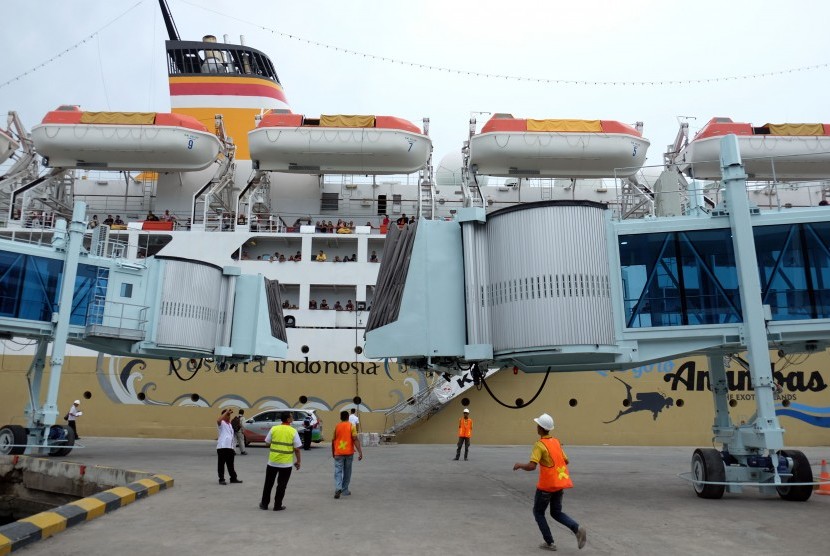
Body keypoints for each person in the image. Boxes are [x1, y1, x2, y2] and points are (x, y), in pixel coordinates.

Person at [513, 413, 586, 551]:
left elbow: (532, 466)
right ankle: (577, 528)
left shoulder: (539, 445)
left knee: (538, 513)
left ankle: (549, 542)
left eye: (537, 425)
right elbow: (566, 461)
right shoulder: (556, 442)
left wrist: (520, 465)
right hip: (558, 485)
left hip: (546, 486)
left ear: (540, 428)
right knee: (556, 512)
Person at [260, 411, 302, 511]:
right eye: (291, 417)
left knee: (268, 484)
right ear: (287, 419)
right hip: (286, 464)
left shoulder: (274, 429)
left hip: (273, 461)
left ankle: (264, 504)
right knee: (282, 485)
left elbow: (267, 443)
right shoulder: (293, 431)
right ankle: (277, 505)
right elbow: (297, 448)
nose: (292, 419)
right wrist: (298, 461)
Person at [332, 410, 363, 498]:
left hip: (338, 452)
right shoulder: (351, 426)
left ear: (340, 418)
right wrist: (360, 452)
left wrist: (333, 452)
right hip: (349, 452)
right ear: (347, 417)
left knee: (338, 471)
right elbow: (355, 439)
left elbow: (333, 440)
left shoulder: (337, 426)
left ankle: (338, 488)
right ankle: (345, 490)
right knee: (347, 471)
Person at [216, 408, 242, 485]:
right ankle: (221, 479)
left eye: (229, 415)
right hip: (222, 447)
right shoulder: (222, 423)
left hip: (230, 447)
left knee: (230, 464)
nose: (229, 416)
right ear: (223, 416)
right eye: (227, 415)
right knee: (221, 464)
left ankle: (233, 478)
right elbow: (218, 420)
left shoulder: (230, 424)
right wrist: (226, 412)